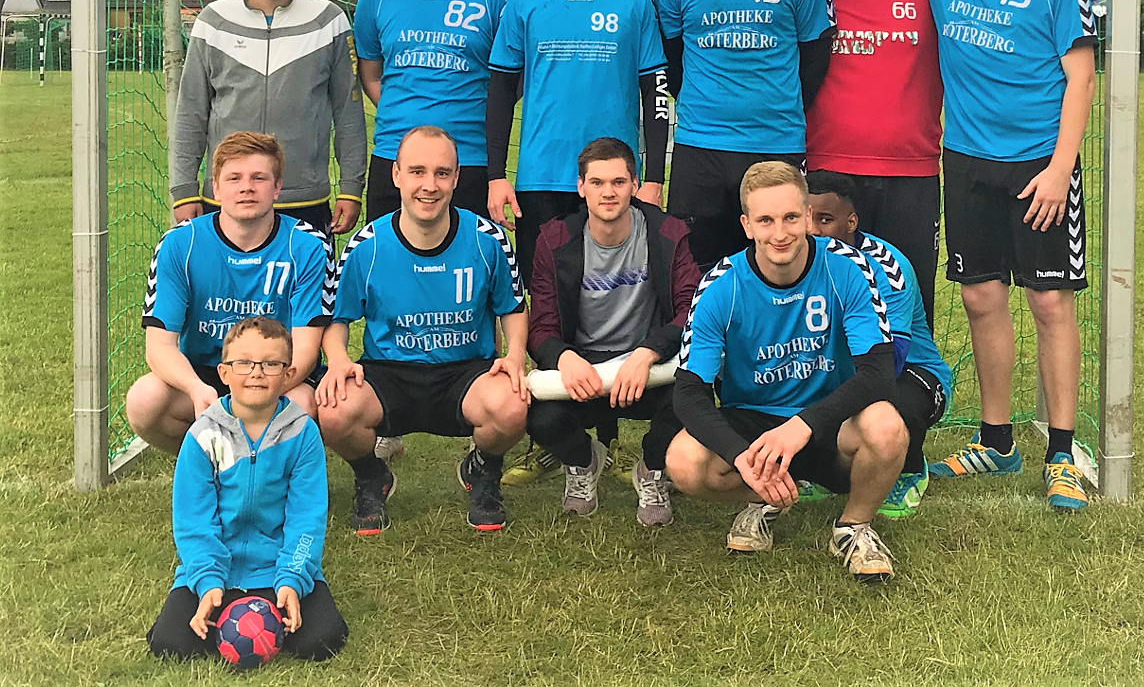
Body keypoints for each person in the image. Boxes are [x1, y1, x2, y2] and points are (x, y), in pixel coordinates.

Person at [887, 0, 1098, 511]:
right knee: (980, 300)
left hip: (1040, 163)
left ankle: (1060, 452)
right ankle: (996, 440)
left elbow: (1080, 75)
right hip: (966, 160)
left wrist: (1060, 169)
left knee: (1048, 304)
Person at [666, 162, 906, 581]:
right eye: (766, 220)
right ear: (746, 225)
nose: (780, 233)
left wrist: (802, 426)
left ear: (808, 217)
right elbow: (689, 392)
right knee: (683, 461)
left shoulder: (848, 266)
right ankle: (766, 496)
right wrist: (742, 457)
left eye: (791, 218)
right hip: (755, 428)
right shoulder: (721, 284)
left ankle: (852, 528)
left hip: (829, 421)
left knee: (887, 426)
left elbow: (879, 372)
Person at [316, 126, 530, 534]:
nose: (429, 186)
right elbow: (335, 318)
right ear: (396, 175)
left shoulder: (487, 240)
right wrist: (339, 360)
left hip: (466, 372)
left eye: (442, 173)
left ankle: (483, 469)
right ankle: (370, 475)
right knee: (333, 407)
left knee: (512, 403)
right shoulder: (368, 245)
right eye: (417, 172)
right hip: (389, 373)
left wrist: (515, 356)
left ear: (457, 177)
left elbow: (513, 307)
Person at [653, 0, 836, 273]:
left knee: (778, 272)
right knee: (693, 277)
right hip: (700, 145)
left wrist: (776, 104)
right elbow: (670, 58)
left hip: (775, 145)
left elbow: (815, 56)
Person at [486, 0, 670, 285]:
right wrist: (498, 175)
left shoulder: (634, 0)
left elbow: (655, 93)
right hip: (542, 176)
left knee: (617, 290)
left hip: (615, 181)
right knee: (545, 295)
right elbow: (498, 92)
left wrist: (654, 178)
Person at [146, 317, 348, 663]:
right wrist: (208, 582)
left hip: (277, 569)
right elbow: (193, 521)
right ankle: (217, 604)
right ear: (224, 373)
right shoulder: (202, 435)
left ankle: (275, 600)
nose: (256, 373)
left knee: (322, 640)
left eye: (271, 364)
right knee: (171, 644)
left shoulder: (303, 434)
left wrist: (292, 580)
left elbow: (306, 518)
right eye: (244, 363)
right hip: (217, 571)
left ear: (288, 375)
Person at [524, 137, 701, 526]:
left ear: (635, 186)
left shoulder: (667, 233)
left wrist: (648, 352)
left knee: (694, 395)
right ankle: (583, 462)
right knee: (539, 417)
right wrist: (564, 358)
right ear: (580, 187)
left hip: (646, 367)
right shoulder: (554, 240)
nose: (609, 192)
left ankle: (652, 469)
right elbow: (541, 325)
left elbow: (692, 309)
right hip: (584, 368)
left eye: (619, 182)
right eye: (598, 182)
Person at [127, 131, 332, 454]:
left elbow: (306, 350)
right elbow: (158, 347)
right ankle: (209, 461)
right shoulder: (180, 244)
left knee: (302, 407)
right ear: (217, 188)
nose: (247, 187)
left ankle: (268, 475)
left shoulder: (307, 246)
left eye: (259, 177)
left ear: (277, 187)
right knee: (145, 400)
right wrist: (196, 389)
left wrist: (255, 391)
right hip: (206, 374)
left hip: (276, 374)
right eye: (234, 177)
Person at [171, 0, 366, 236]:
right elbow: (190, 113)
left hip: (305, 201)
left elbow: (349, 113)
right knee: (224, 289)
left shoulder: (329, 20)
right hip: (226, 199)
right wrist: (183, 188)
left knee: (309, 288)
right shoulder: (212, 21)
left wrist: (351, 187)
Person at [807, 0, 942, 330]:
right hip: (828, 169)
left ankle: (905, 399)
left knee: (907, 303)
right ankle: (828, 402)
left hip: (911, 171)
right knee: (825, 304)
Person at [355, 0, 510, 221]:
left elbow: (509, 83)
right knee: (389, 267)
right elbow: (371, 74)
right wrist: (411, 112)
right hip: (395, 156)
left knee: (469, 265)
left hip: (468, 158)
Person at [806, 170, 953, 518]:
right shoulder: (797, 260)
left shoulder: (888, 267)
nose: (813, 230)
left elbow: (893, 360)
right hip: (842, 367)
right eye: (805, 218)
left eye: (825, 220)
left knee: (886, 400)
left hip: (911, 372)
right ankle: (817, 470)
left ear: (852, 221)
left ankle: (909, 466)